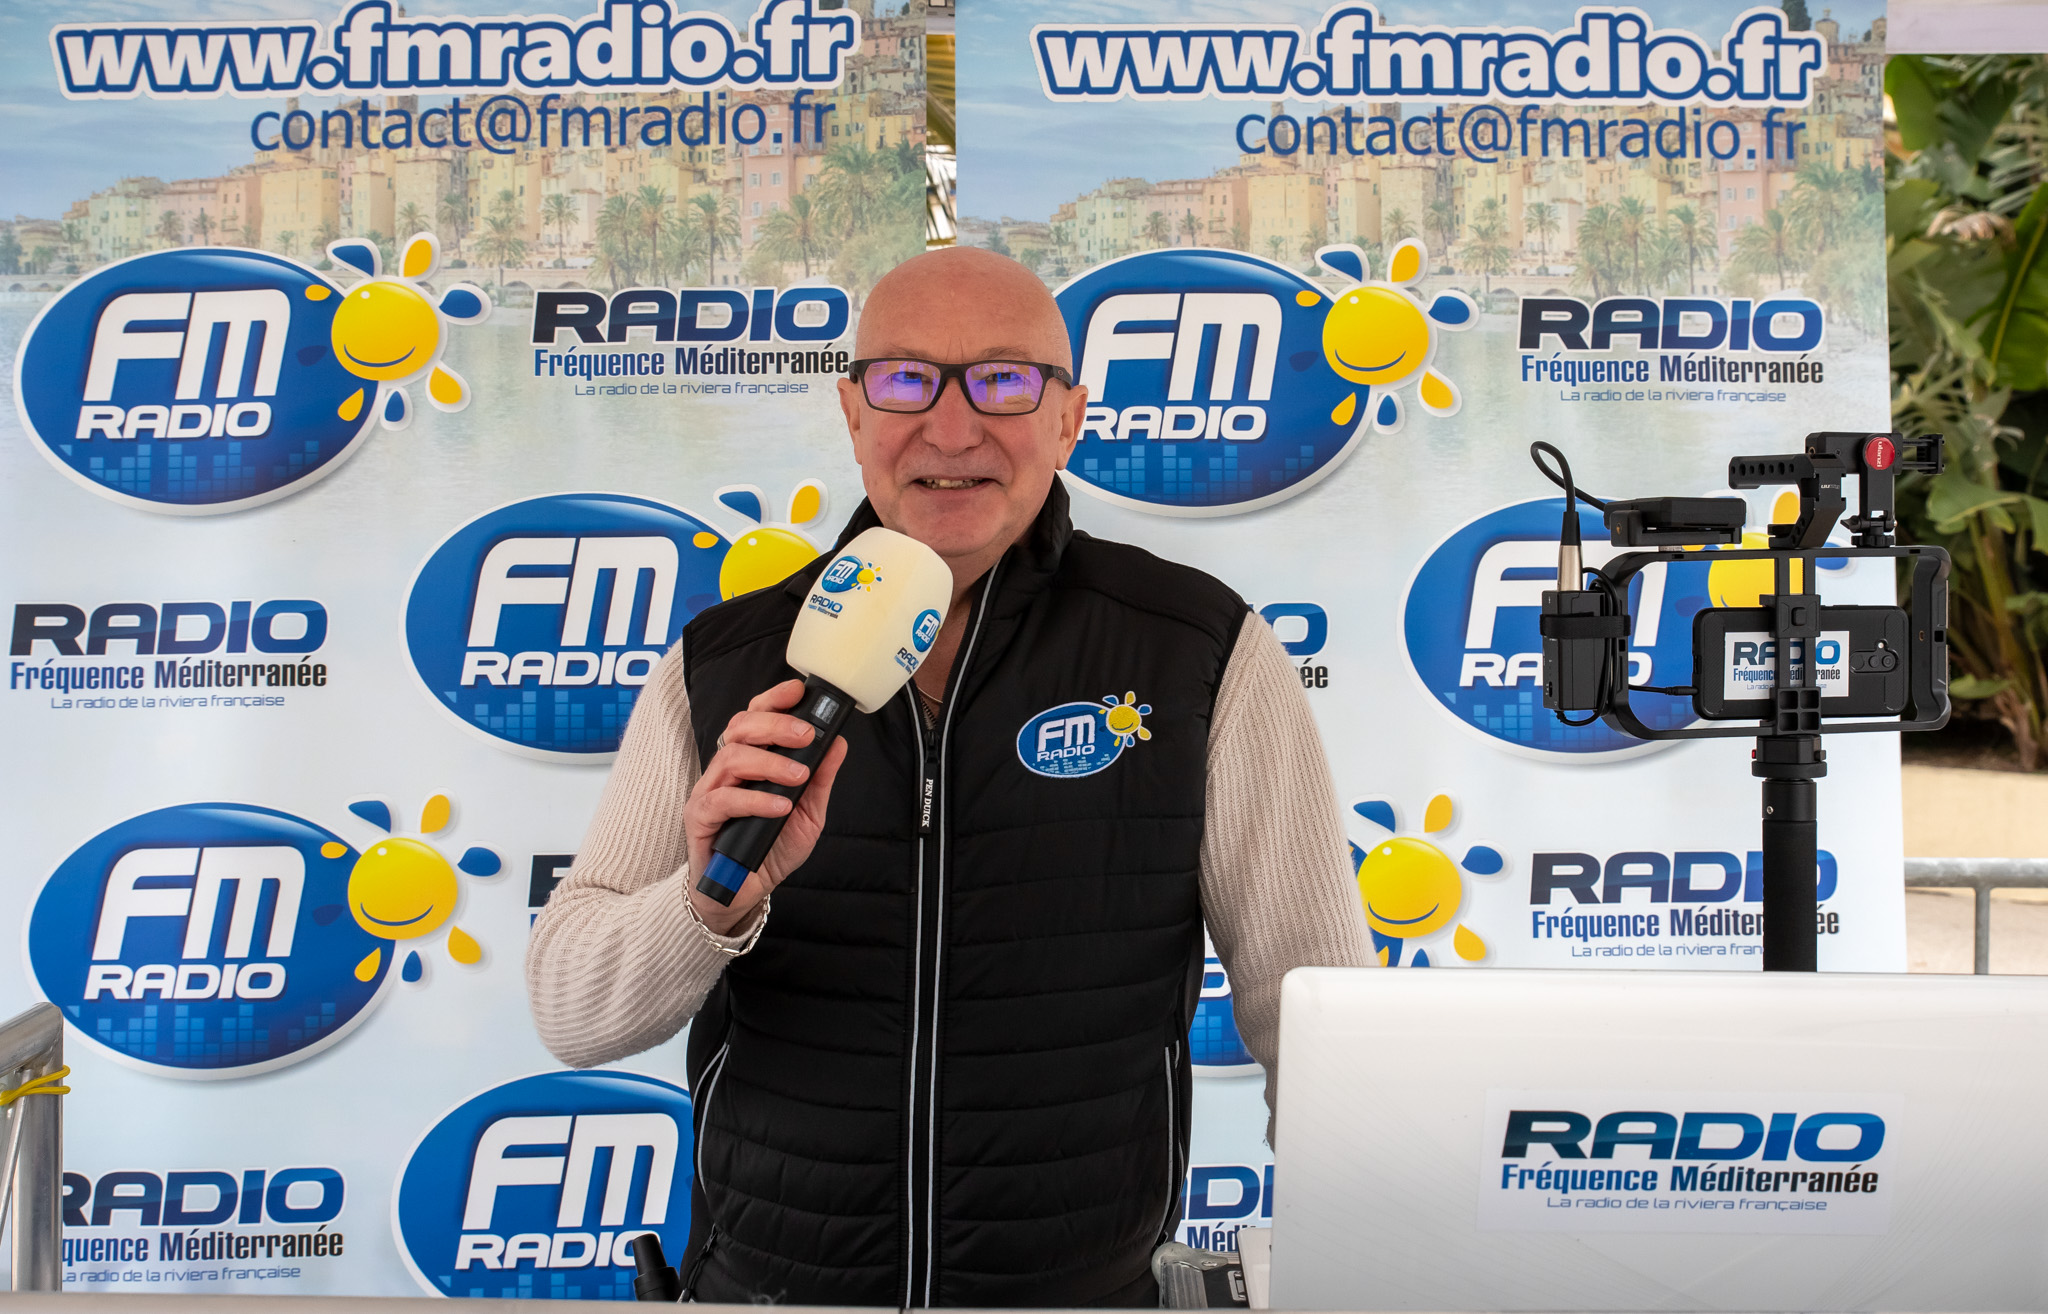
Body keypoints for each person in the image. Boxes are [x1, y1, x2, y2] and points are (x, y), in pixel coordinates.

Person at [526, 246, 1372, 1308]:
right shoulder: (726, 661)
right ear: (852, 412)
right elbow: (574, 1016)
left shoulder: (1198, 650)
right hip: (765, 1291)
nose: (954, 427)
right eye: (906, 380)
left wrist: (1375, 1254)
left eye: (1004, 381)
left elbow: (1318, 1012)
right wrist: (708, 900)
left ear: (1068, 419)